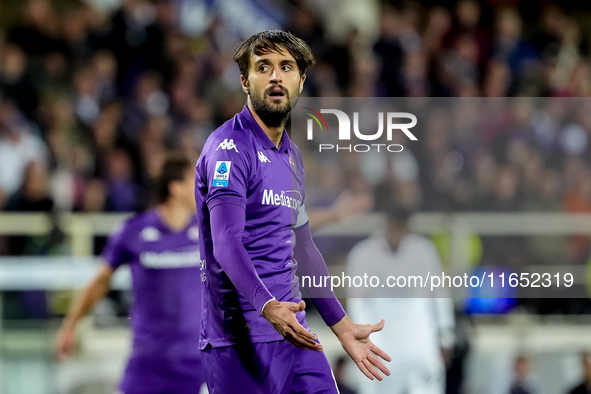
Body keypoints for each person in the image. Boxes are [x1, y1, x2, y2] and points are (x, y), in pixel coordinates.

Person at [194, 30, 391, 394]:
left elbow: (304, 248)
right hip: (239, 341)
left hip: (295, 335)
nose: (275, 76)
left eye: (286, 67)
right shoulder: (228, 149)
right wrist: (267, 306)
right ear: (244, 81)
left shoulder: (292, 158)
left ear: (300, 81)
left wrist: (342, 325)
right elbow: (225, 241)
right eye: (263, 67)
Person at [56, 155, 206, 394]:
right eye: (194, 181)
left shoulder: (207, 233)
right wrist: (70, 325)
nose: (202, 187)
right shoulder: (133, 232)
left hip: (195, 363)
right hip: (147, 361)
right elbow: (100, 282)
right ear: (175, 188)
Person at [346, 204, 455, 394]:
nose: (397, 232)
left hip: (420, 347)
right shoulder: (362, 254)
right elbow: (356, 303)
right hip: (381, 348)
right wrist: (361, 340)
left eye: (402, 227)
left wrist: (445, 335)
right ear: (385, 224)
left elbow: (439, 295)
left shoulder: (424, 251)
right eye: (394, 226)